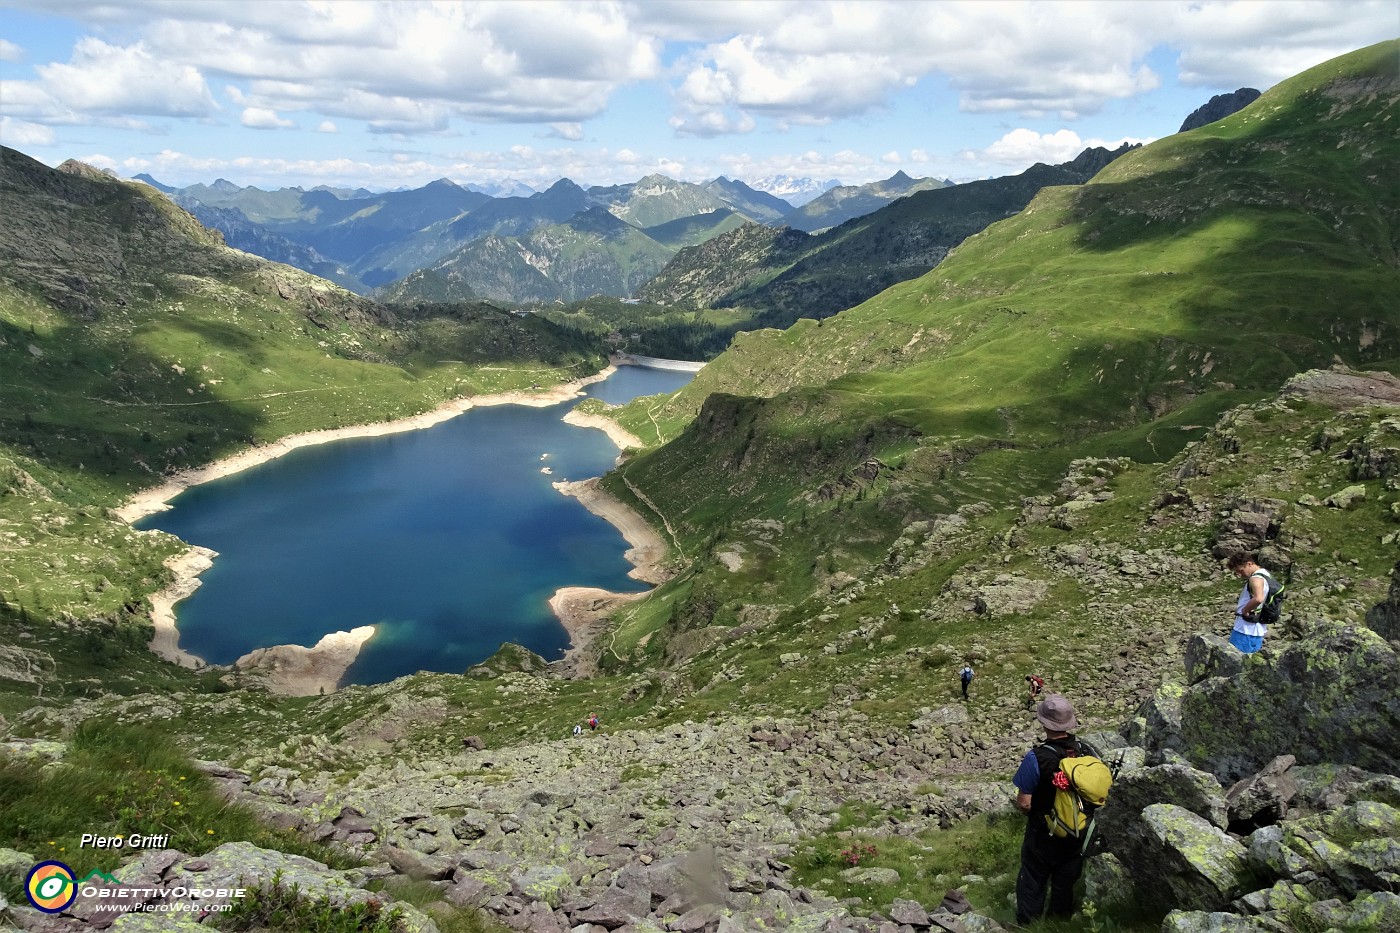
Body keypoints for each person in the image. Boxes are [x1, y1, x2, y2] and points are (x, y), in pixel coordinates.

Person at [1012, 694, 1099, 925]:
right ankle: (1058, 924)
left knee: (1033, 879)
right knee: (1066, 880)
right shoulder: (1086, 751)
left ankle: (1028, 926)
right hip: (1079, 830)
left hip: (1043, 833)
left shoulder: (1036, 757)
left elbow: (1024, 803)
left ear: (1044, 723)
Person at [1226, 552, 1274, 654]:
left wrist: (1245, 610)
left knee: (1235, 662)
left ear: (1249, 564)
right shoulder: (1266, 575)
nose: (1240, 575)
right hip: (1257, 628)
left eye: (1241, 570)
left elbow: (1258, 598)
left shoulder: (1255, 578)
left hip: (1245, 629)